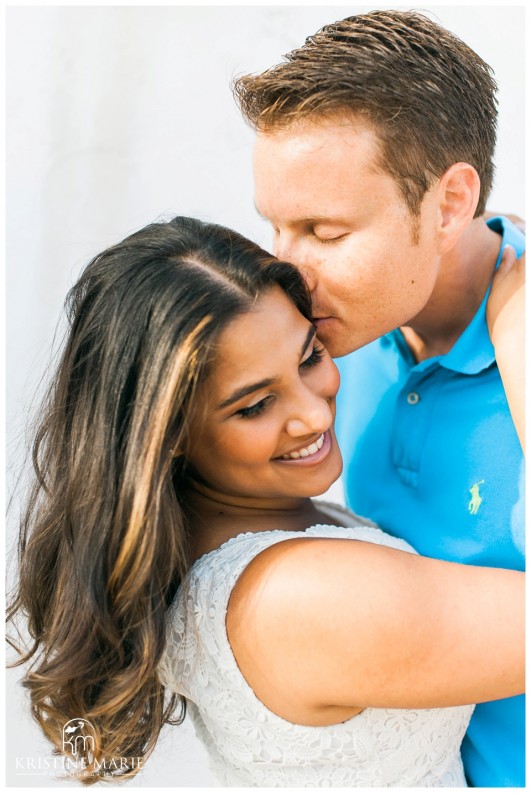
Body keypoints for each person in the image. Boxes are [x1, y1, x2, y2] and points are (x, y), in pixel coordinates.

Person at [8, 216, 524, 787]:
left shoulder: (217, 530)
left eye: (309, 358)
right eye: (254, 405)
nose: (316, 413)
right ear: (167, 433)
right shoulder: (302, 598)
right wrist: (520, 333)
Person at [233, 9, 525, 786]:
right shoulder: (320, 347)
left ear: (450, 203)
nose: (285, 271)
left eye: (323, 232)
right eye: (275, 227)